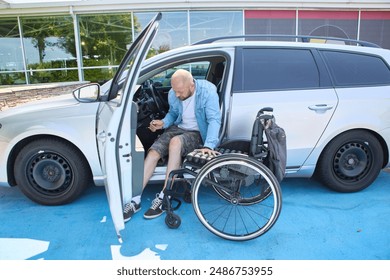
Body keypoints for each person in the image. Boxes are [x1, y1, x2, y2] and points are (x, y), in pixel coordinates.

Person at [123, 69, 221, 222]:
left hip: (198, 132)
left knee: (175, 143)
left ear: (192, 86)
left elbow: (214, 120)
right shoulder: (173, 93)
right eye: (174, 91)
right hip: (178, 127)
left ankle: (164, 197)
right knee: (154, 151)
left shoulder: (208, 92)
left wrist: (209, 146)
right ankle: (135, 200)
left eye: (180, 91)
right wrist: (163, 123)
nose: (176, 95)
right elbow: (173, 114)